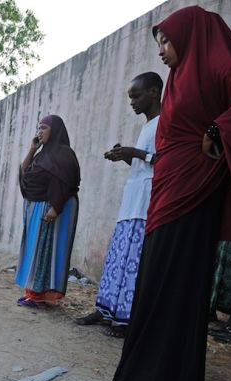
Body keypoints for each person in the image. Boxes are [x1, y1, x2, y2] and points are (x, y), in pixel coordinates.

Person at [111, 6, 231, 381]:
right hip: (166, 193)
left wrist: (216, 131)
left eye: (166, 41)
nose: (162, 52)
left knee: (179, 286)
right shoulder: (180, 78)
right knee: (155, 282)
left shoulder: (217, 65)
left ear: (191, 36)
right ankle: (142, 379)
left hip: (193, 194)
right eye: (159, 44)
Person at [76, 73, 162, 337]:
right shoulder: (146, 126)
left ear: (154, 92)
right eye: (130, 98)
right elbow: (143, 163)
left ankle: (127, 319)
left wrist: (133, 153)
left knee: (134, 261)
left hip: (146, 202)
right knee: (119, 258)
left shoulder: (165, 123)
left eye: (136, 96)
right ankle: (107, 310)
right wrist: (124, 156)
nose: (132, 102)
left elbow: (165, 160)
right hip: (131, 201)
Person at [15, 115, 80, 307]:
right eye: (38, 128)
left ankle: (39, 296)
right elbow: (23, 173)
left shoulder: (64, 154)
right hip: (37, 208)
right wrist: (32, 149)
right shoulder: (41, 154)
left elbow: (68, 181)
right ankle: (32, 292)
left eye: (43, 128)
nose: (39, 132)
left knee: (44, 251)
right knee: (34, 251)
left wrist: (56, 207)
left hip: (52, 209)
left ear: (55, 130)